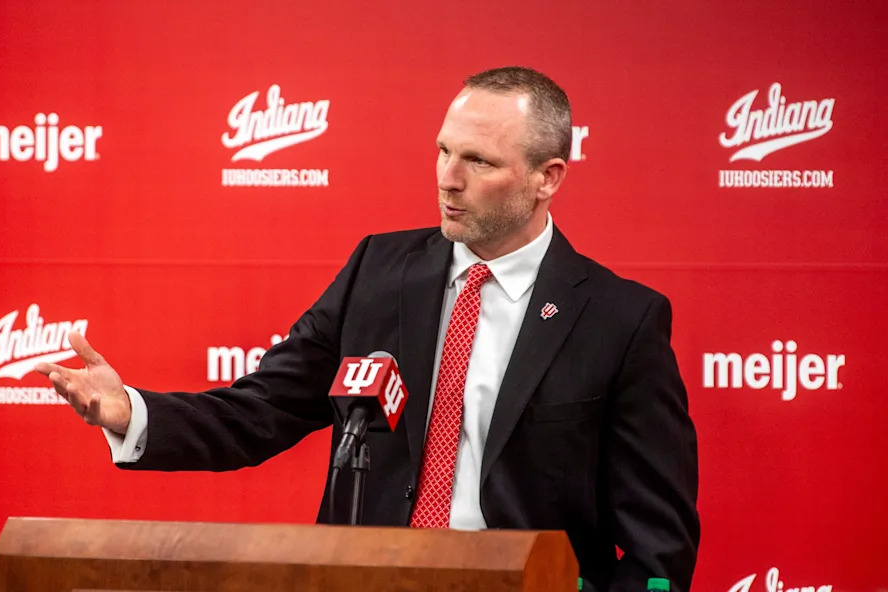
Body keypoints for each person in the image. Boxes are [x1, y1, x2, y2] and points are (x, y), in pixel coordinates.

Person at [37, 66, 700, 591]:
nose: (448, 178)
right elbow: (263, 410)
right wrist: (131, 411)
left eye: (480, 161)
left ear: (547, 178)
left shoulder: (622, 319)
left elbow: (656, 540)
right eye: (443, 151)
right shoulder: (378, 271)